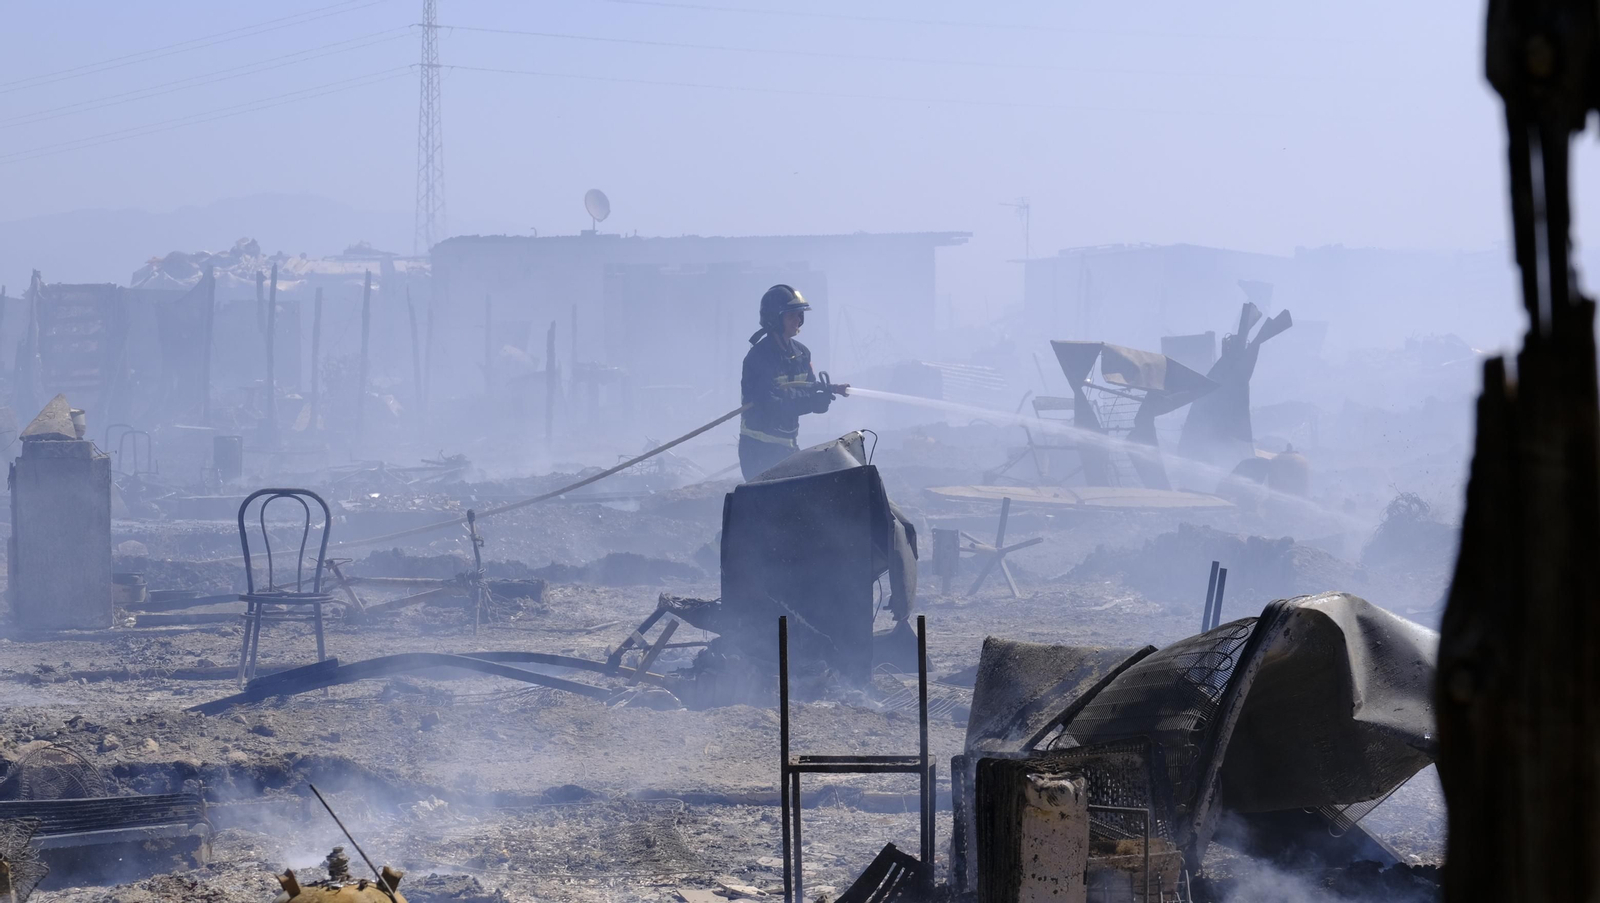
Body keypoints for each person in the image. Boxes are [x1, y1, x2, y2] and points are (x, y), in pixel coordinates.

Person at [738, 284, 848, 481]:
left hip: (787, 446)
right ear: (774, 320)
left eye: (799, 315)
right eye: (791, 316)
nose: (798, 320)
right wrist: (810, 404)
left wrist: (820, 397)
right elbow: (769, 404)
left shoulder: (801, 354)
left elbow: (808, 389)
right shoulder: (759, 357)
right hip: (758, 451)